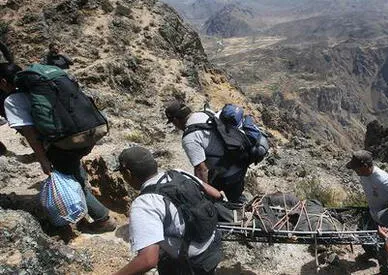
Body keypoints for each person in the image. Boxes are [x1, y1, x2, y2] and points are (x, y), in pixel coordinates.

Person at [0, 62, 115, 232]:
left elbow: (30, 135)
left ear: (3, 81)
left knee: (72, 182)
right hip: (85, 134)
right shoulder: (45, 86)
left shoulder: (13, 100)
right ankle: (83, 213)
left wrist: (43, 160)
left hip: (61, 144)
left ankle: (103, 220)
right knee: (74, 172)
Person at [114, 146, 223, 275]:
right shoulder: (178, 173)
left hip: (190, 263)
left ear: (128, 173)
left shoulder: (144, 204)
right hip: (212, 246)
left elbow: (148, 260)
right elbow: (215, 194)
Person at [165, 101, 249, 203]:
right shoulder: (205, 114)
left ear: (175, 120)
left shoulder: (189, 138)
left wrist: (203, 195)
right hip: (239, 161)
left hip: (227, 174)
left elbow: (201, 170)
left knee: (217, 204)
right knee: (236, 197)